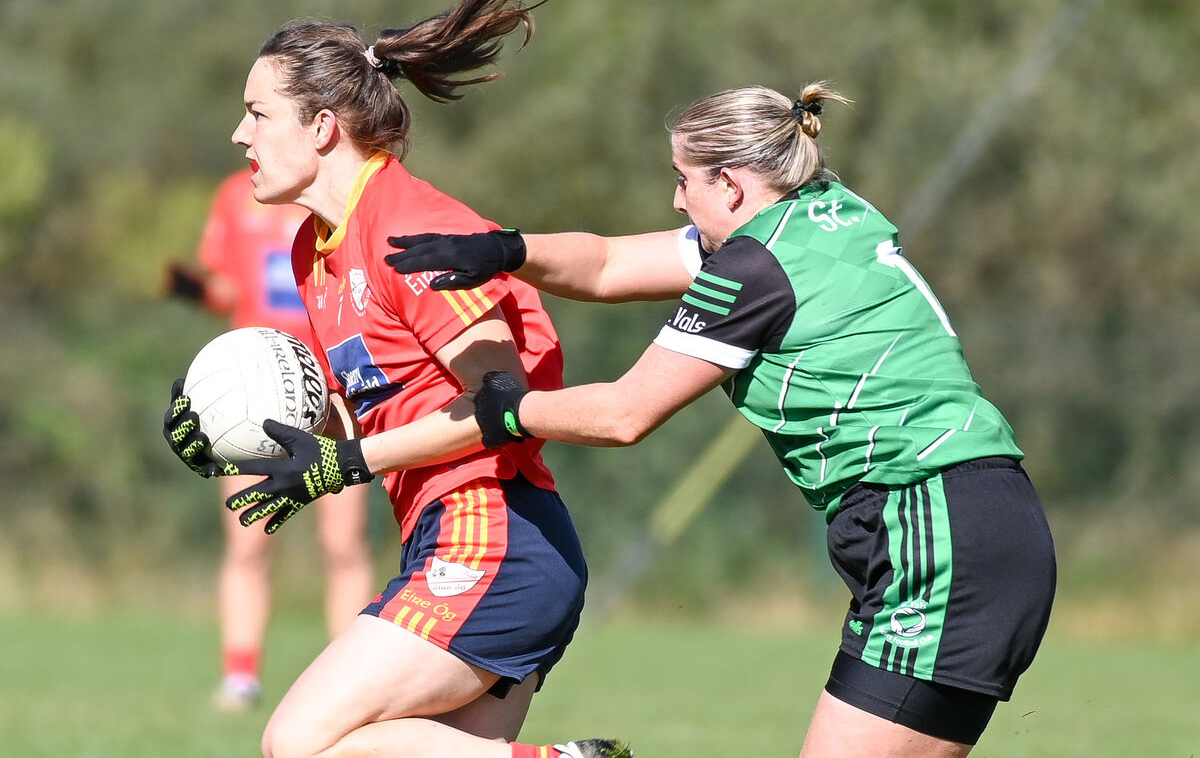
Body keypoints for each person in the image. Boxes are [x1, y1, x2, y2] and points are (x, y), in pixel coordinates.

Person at [384, 82, 1058, 757]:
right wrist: (508, 249)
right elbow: (610, 265)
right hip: (973, 521)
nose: (677, 199)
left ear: (731, 185)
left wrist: (506, 409)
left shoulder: (754, 265)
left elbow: (626, 413)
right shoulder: (830, 210)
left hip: (930, 528)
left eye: (684, 181)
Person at [162, 0, 629, 758]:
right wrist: (237, 427)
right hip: (448, 533)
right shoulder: (316, 249)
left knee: (297, 741)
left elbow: (498, 404)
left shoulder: (408, 227)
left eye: (257, 112)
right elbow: (363, 400)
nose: (239, 133)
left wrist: (348, 464)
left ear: (320, 127)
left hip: (493, 537)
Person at [166, 168, 375, 711]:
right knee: (248, 543)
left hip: (332, 395)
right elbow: (228, 291)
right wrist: (192, 289)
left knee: (343, 546)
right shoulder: (236, 194)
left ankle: (349, 678)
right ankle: (241, 678)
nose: (249, 135)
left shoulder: (339, 194)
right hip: (249, 404)